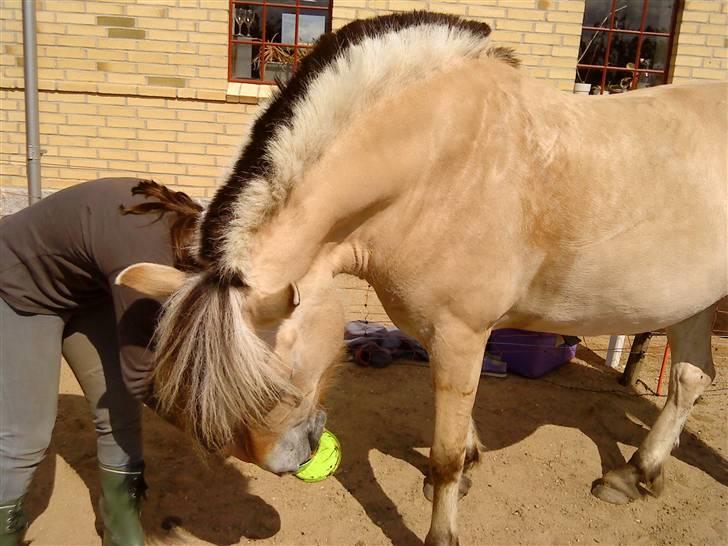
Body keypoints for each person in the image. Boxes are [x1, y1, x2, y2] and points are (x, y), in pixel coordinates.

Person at [0, 178, 203, 546]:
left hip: (86, 291)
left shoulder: (195, 236)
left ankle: (123, 536)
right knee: (24, 439)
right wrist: (210, 424)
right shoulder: (145, 256)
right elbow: (140, 373)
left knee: (119, 416)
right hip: (17, 287)